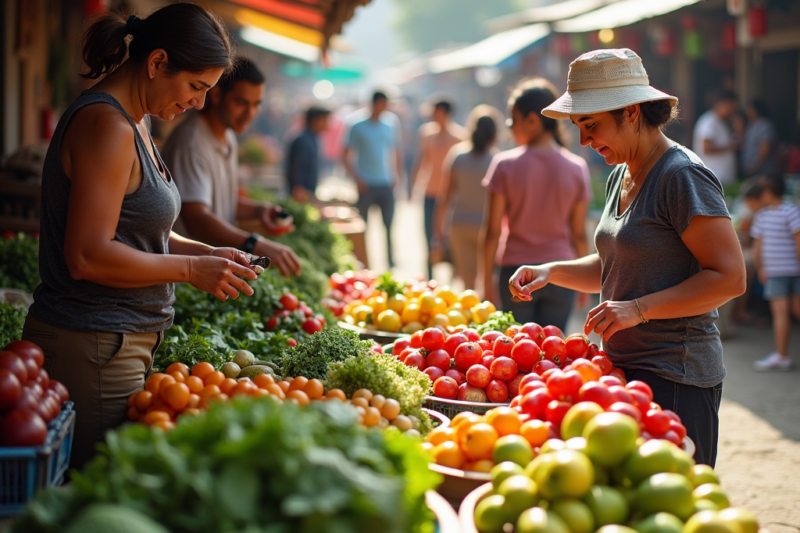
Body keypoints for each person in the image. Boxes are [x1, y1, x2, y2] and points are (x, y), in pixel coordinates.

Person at [21, 5, 258, 468]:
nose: (200, 104)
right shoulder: (107, 126)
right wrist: (192, 269)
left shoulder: (138, 121)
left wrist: (212, 254)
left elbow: (143, 233)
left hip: (119, 343)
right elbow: (88, 256)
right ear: (156, 63)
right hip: (92, 344)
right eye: (195, 87)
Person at [509, 49, 746, 467]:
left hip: (676, 376)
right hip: (623, 371)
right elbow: (618, 265)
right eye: (579, 128)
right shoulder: (621, 170)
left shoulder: (681, 175)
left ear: (631, 112)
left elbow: (729, 278)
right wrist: (551, 271)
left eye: (591, 126)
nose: (584, 141)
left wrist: (639, 309)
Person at [161, 59, 301, 277]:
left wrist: (260, 210)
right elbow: (197, 219)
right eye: (242, 102)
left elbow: (221, 199)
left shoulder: (228, 135)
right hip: (188, 276)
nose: (250, 113)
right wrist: (255, 244)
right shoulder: (191, 143)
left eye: (256, 104)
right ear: (216, 95)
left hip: (216, 271)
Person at [480, 79, 590, 332]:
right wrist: (582, 281)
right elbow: (579, 234)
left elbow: (491, 232)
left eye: (512, 119)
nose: (509, 127)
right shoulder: (576, 168)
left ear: (532, 120)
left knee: (516, 353)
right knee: (552, 353)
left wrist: (485, 282)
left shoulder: (504, 164)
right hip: (562, 273)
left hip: (516, 275)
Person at [434, 106, 500, 289]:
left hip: (459, 226)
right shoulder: (498, 160)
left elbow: (444, 197)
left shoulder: (458, 155)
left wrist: (438, 231)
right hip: (488, 228)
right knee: (489, 282)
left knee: (468, 284)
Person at [343, 91, 403, 268]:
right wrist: (357, 179)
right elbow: (346, 155)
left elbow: (395, 150)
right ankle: (362, 262)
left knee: (389, 224)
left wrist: (397, 175)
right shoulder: (357, 125)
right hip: (366, 184)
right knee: (362, 226)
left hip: (385, 182)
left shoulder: (391, 123)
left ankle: (390, 261)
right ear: (374, 104)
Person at [744, 176, 798, 371]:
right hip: (794, 269)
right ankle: (781, 355)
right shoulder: (792, 211)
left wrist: (761, 269)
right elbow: (798, 241)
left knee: (780, 314)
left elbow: (757, 247)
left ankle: (782, 356)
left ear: (768, 192)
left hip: (775, 271)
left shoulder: (762, 215)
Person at [411, 98, 468, 277]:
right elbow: (422, 159)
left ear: (446, 113)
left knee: (451, 237)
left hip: (451, 196)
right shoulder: (427, 133)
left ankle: (453, 276)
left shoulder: (460, 137)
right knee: (429, 236)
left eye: (438, 112)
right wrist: (412, 184)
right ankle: (430, 276)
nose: (435, 116)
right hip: (430, 193)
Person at [285, 106, 331, 204]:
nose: (328, 125)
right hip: (300, 197)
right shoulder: (303, 141)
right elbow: (296, 170)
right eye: (325, 120)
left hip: (308, 194)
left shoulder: (312, 139)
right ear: (315, 121)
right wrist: (299, 189)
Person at [693, 90, 740, 185]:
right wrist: (731, 146)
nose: (732, 111)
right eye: (731, 107)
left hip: (721, 181)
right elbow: (706, 148)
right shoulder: (709, 121)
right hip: (713, 180)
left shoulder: (720, 121)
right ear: (721, 104)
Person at [742, 100, 780, 178]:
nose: (748, 112)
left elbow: (765, 148)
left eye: (750, 109)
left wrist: (754, 167)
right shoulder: (751, 124)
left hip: (763, 171)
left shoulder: (764, 125)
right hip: (751, 171)